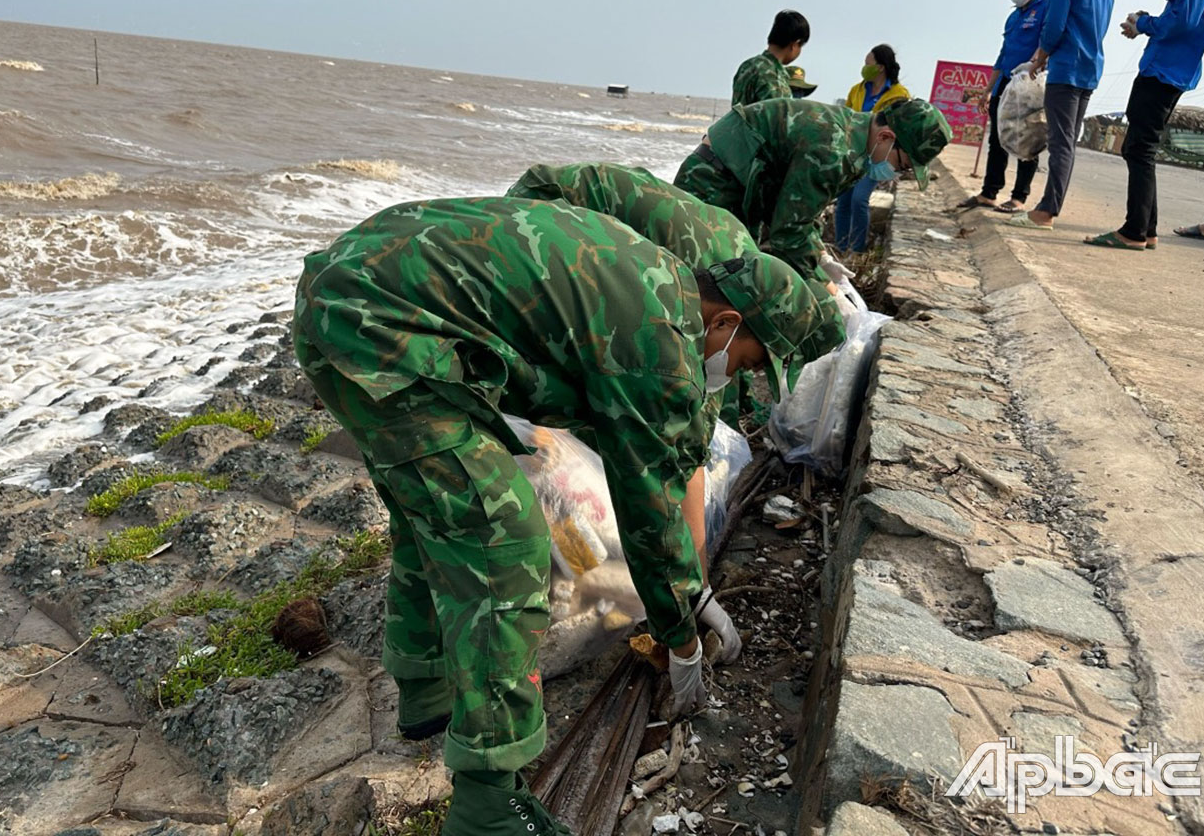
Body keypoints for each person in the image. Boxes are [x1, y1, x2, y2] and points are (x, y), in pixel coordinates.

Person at [292, 195, 841, 836]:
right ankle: (487, 805)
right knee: (503, 542)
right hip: (381, 327)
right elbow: (649, 513)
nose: (736, 376)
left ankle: (425, 688)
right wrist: (683, 632)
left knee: (437, 509)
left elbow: (655, 450)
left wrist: (692, 594)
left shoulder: (652, 281)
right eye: (746, 360)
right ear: (725, 322)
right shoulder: (657, 341)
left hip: (346, 294)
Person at [506, 161, 845, 430]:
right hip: (545, 211)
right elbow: (691, 377)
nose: (750, 372)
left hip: (576, 222)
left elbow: (722, 354)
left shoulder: (745, 272)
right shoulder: (703, 277)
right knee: (568, 360)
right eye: (756, 363)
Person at [673, 97, 953, 279]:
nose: (895, 174)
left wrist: (819, 255)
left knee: (739, 276)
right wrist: (826, 286)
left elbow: (803, 212)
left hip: (746, 189)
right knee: (703, 281)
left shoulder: (856, 144)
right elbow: (788, 233)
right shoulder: (832, 151)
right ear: (886, 136)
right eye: (902, 165)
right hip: (712, 182)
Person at [1083, 0, 1204, 250]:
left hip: (1163, 71)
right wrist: (1145, 23)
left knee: (1139, 149)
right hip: (1170, 69)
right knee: (1140, 148)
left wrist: (1143, 23)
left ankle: (1133, 231)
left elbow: (1181, 22)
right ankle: (1146, 229)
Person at [1008, 0, 1114, 230]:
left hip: (1066, 67)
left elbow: (1054, 27)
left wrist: (1040, 58)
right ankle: (1048, 207)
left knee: (1060, 144)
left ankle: (1046, 211)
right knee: (1067, 144)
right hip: (1090, 68)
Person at [959, 0, 1048, 213]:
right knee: (997, 138)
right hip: (1005, 83)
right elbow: (1003, 55)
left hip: (1030, 83)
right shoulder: (1014, 16)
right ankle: (989, 193)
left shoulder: (1047, 6)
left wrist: (1033, 68)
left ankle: (1019, 197)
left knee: (1029, 140)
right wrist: (988, 89)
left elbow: (1047, 42)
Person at [833, 45, 912, 252]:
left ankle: (857, 249)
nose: (864, 68)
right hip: (852, 153)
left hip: (877, 154)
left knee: (859, 199)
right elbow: (846, 118)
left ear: (880, 67)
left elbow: (901, 127)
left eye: (868, 64)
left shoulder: (898, 95)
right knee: (843, 201)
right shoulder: (857, 90)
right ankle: (841, 248)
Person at [731, 9, 810, 106]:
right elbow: (780, 117)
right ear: (795, 44)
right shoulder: (774, 76)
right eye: (800, 46)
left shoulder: (748, 65)